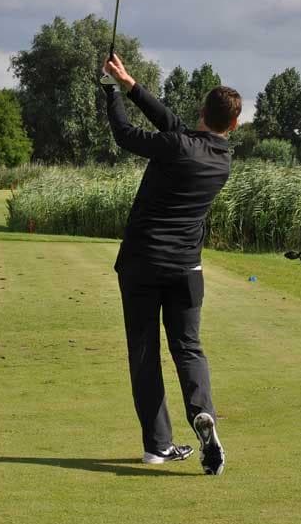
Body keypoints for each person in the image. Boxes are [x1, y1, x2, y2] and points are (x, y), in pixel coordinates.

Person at [101, 54, 241, 476]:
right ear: (233, 125)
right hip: (186, 270)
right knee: (188, 348)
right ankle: (202, 412)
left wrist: (110, 92)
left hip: (142, 264)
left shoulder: (178, 145)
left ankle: (158, 445)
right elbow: (172, 124)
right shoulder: (221, 158)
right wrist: (129, 84)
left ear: (202, 111)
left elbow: (125, 135)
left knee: (145, 353)